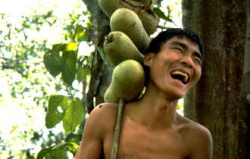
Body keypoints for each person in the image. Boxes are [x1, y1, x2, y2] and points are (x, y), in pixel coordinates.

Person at [75, 28, 213, 159]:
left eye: (197, 60)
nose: (189, 62)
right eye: (178, 50)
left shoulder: (197, 139)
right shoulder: (106, 117)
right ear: (149, 59)